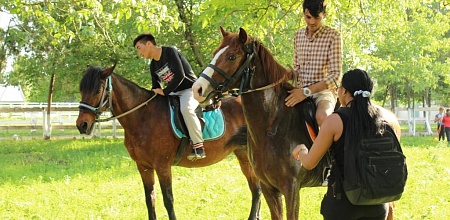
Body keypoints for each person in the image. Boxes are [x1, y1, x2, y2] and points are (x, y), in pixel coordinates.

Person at [292, 69, 389, 219]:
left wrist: (302, 150)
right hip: (378, 203)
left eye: (339, 88)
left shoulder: (335, 121)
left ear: (344, 92)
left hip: (343, 204)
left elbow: (309, 163)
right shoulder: (382, 118)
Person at [133, 34, 205, 161]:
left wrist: (165, 92)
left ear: (149, 44)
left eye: (139, 48)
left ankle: (198, 147)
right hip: (173, 92)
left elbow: (180, 76)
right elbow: (156, 87)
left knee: (186, 109)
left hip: (189, 89)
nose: (139, 52)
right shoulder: (153, 65)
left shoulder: (170, 51)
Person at [285, 0, 343, 126]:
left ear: (324, 15)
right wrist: (285, 75)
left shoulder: (333, 36)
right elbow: (298, 69)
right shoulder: (298, 35)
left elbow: (335, 77)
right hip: (299, 90)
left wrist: (306, 92)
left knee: (323, 117)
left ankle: (329, 146)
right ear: (303, 14)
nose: (312, 22)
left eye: (317, 18)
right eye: (308, 17)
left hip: (323, 93)